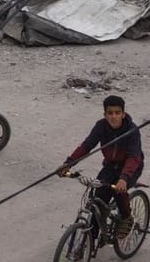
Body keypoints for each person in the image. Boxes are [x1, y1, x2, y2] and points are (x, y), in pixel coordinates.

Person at [57, 94, 143, 239]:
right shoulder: (101, 126)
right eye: (110, 113)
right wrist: (68, 163)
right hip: (110, 166)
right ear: (105, 114)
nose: (113, 117)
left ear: (123, 114)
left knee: (118, 190)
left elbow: (133, 157)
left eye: (117, 113)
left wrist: (124, 178)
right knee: (99, 196)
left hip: (131, 168)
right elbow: (87, 146)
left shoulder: (132, 130)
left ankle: (126, 217)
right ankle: (91, 237)